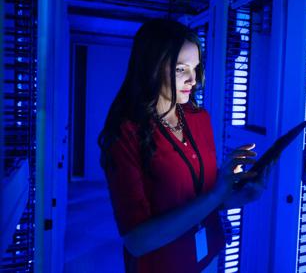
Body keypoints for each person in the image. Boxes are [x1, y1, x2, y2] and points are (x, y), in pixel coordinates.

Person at [98, 18, 264, 273]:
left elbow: (202, 198)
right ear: (151, 67)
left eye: (195, 68)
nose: (193, 80)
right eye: (180, 69)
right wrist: (216, 195)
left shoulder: (199, 118)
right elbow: (136, 241)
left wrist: (238, 196)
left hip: (208, 258)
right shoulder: (126, 134)